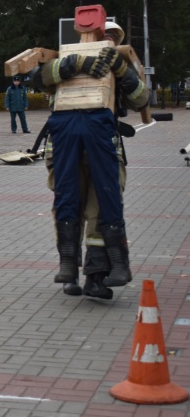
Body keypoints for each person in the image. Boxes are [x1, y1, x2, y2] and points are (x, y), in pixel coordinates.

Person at [30, 18, 148, 299]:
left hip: (106, 147)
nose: (104, 38)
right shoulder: (65, 58)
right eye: (100, 34)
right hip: (64, 146)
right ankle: (68, 271)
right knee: (67, 206)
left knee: (100, 211)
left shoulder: (120, 66)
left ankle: (96, 276)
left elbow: (142, 100)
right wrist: (73, 65)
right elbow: (37, 79)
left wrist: (123, 72)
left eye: (110, 36)